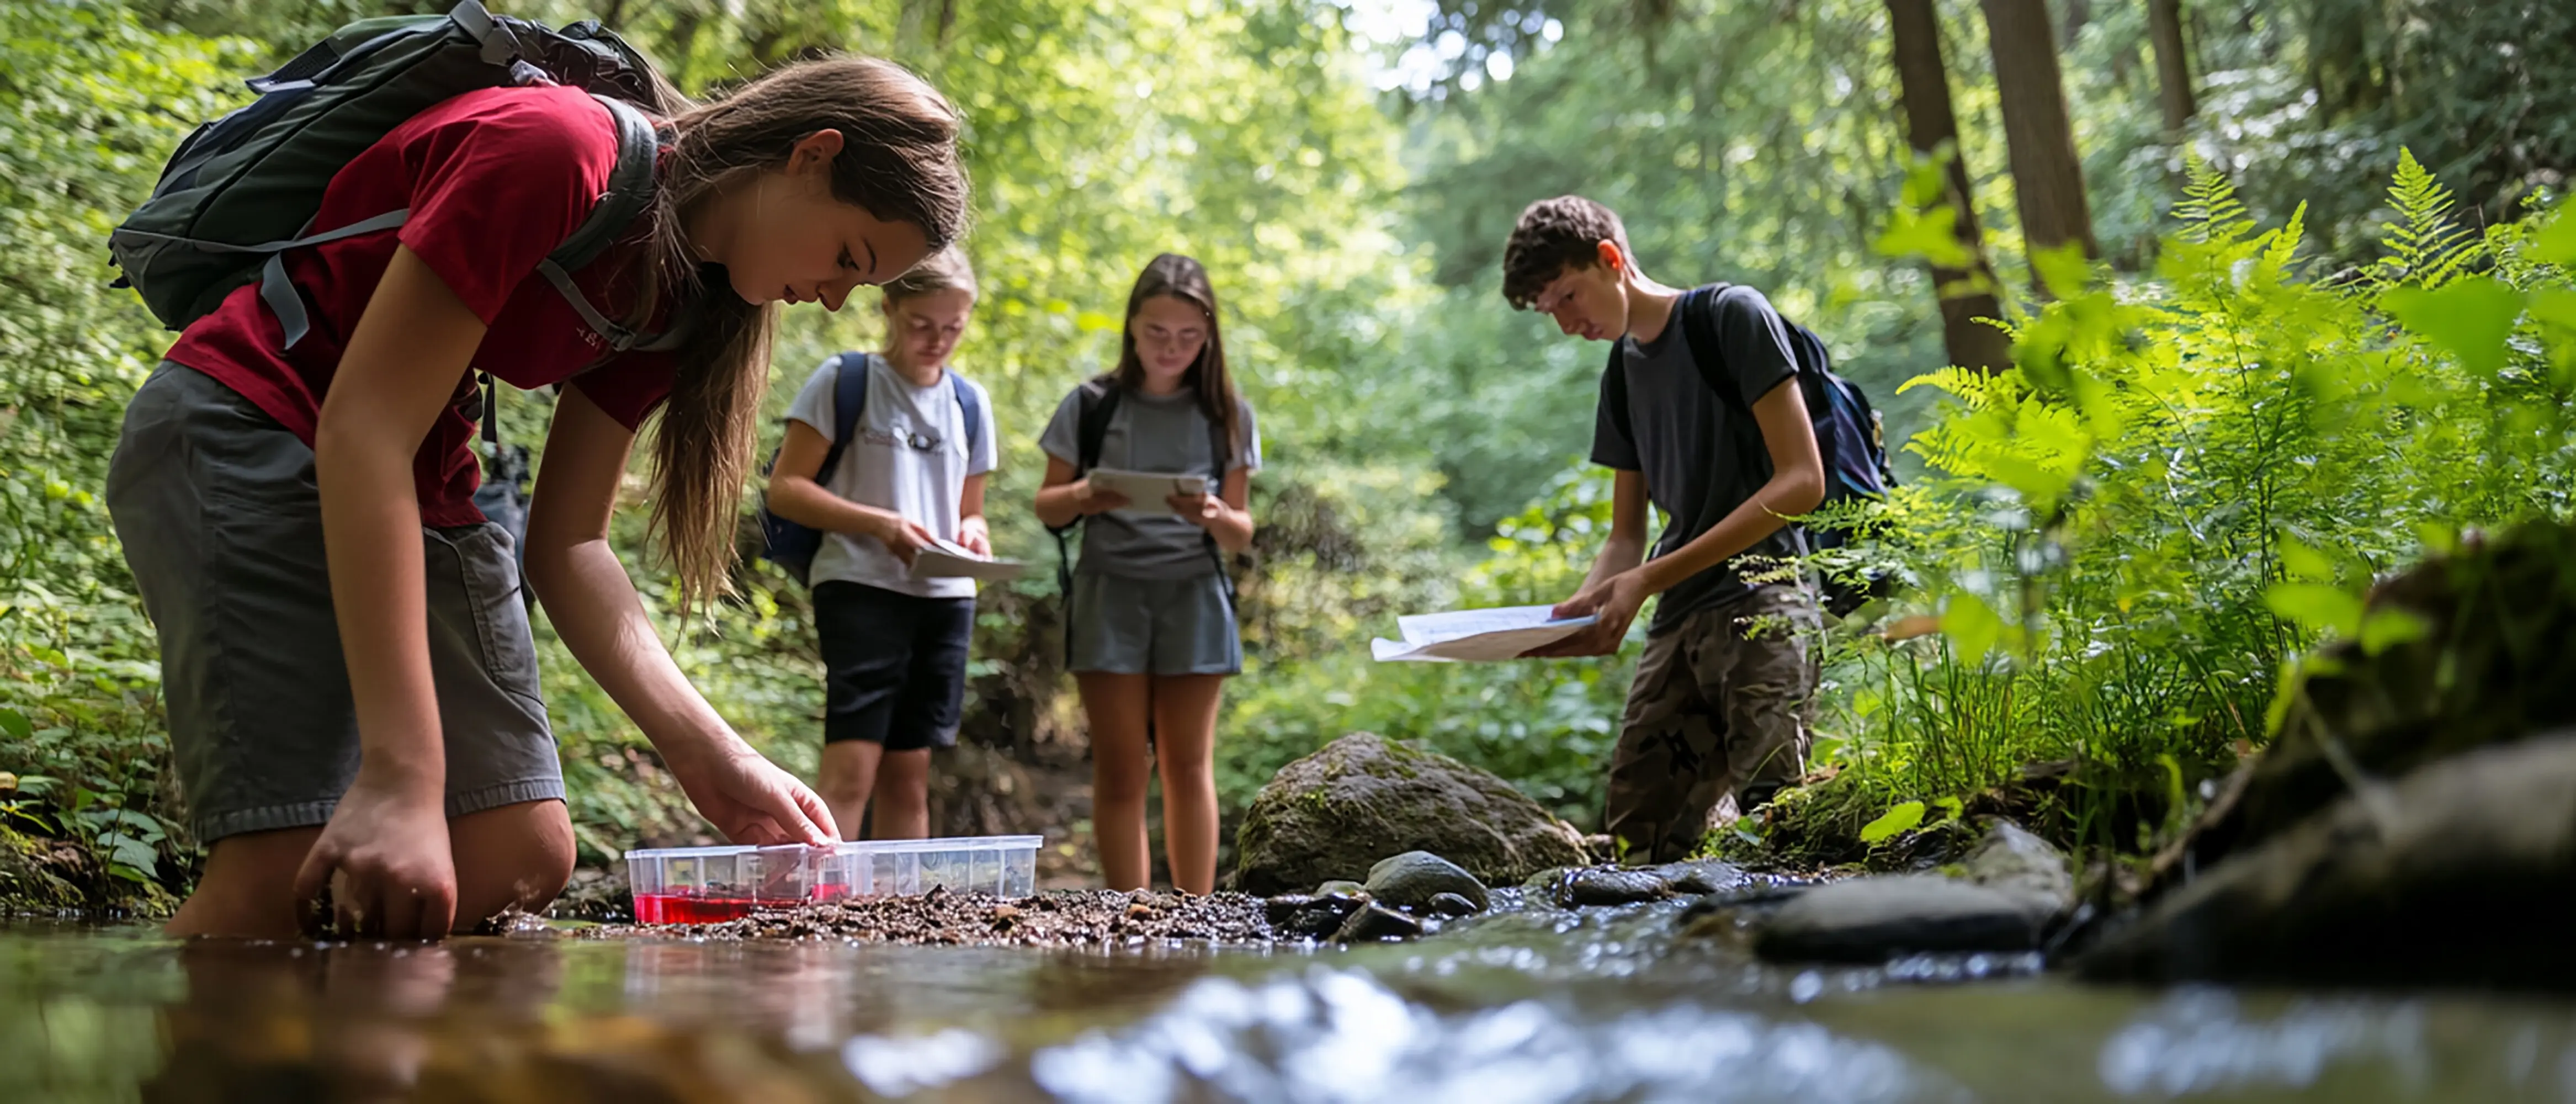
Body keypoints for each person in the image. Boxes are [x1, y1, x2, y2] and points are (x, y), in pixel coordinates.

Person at [105, 56, 972, 940]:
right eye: (847, 259)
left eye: (857, 288)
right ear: (810, 156)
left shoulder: (680, 302)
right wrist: (401, 779)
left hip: (422, 478)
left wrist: (716, 758)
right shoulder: (558, 150)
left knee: (512, 853)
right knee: (271, 886)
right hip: (249, 424)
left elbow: (569, 547)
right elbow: (362, 429)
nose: (830, 301)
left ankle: (330, 1052)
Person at [1502, 195, 1829, 863]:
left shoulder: (1731, 316)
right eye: (1550, 312)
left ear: (1610, 259)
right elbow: (1625, 536)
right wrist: (1575, 615)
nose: (1567, 324)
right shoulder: (1622, 373)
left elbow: (1802, 482)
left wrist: (1646, 578)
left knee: (1778, 824)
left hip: (1765, 600)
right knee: (1635, 839)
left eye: (1567, 296)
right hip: (1679, 616)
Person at [1032, 254, 1259, 895]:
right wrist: (1084, 495)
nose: (1172, 348)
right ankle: (1127, 914)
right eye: (1158, 332)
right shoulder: (1091, 404)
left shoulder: (1226, 414)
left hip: (1193, 592)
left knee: (1189, 765)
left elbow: (1241, 531)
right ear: (1132, 326)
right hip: (1109, 593)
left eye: (1189, 336)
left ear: (1209, 336)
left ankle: (1196, 909)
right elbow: (1047, 505)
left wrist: (1212, 511)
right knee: (1121, 768)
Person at [763, 247, 994, 841]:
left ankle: (898, 915)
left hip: (944, 597)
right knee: (851, 765)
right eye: (922, 324)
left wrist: (972, 532)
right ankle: (825, 903)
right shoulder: (846, 380)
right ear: (889, 308)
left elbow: (972, 512)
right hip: (860, 586)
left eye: (952, 328)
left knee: (910, 774)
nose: (937, 340)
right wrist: (879, 524)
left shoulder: (969, 403)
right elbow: (786, 490)